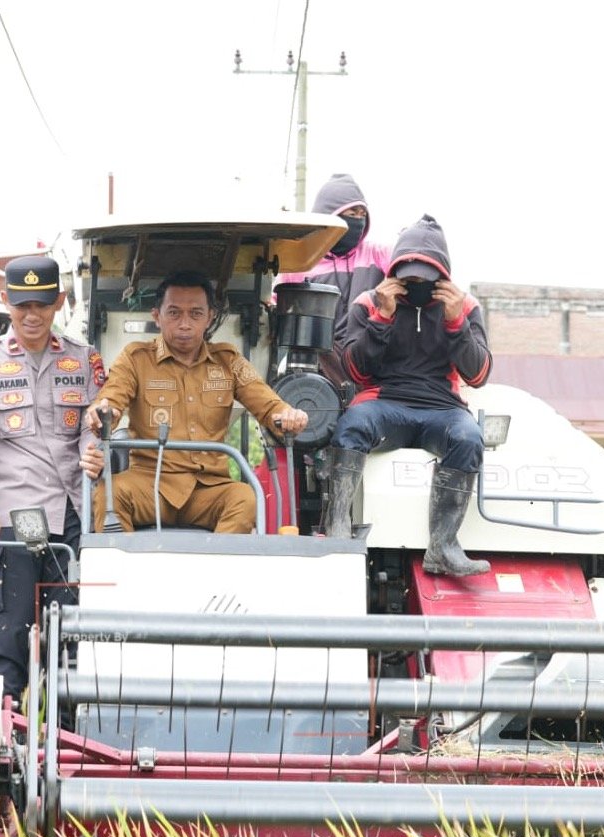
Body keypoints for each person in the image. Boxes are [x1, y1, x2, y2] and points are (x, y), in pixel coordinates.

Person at [0, 256, 106, 703]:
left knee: (73, 639)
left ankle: (70, 743)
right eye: (21, 304)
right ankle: (6, 747)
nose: (31, 314)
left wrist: (93, 453)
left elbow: (92, 423)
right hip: (18, 510)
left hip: (74, 508)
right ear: (6, 302)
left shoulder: (84, 359)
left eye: (41, 304)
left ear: (58, 302)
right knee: (12, 633)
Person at [323, 215, 493, 576]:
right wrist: (382, 319)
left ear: (442, 275)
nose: (415, 284)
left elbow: (477, 374)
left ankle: (443, 547)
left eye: (425, 277)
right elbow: (354, 370)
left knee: (468, 436)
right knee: (352, 423)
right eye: (408, 275)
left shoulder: (464, 305)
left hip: (443, 407)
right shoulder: (370, 302)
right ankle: (336, 528)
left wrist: (455, 324)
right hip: (385, 401)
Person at [84, 270, 309, 533]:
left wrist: (289, 415)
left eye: (196, 314)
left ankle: (215, 574)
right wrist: (102, 413)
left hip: (209, 488)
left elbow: (269, 405)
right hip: (149, 484)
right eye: (174, 313)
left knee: (245, 499)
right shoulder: (135, 358)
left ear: (210, 318)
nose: (185, 324)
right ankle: (123, 573)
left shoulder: (229, 361)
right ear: (157, 316)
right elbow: (110, 399)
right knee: (108, 495)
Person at [274, 174, 392, 383]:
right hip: (320, 358)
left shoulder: (377, 254)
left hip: (369, 348)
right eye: (351, 213)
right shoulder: (303, 260)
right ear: (330, 216)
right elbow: (277, 305)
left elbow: (404, 266)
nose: (358, 219)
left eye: (362, 214)